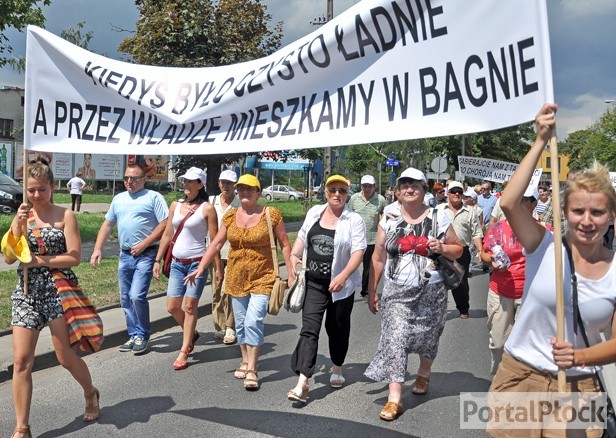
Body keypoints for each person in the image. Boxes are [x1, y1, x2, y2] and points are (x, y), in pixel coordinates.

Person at [488, 103, 616, 436]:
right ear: (565, 212)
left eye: (598, 212)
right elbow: (508, 203)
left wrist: (579, 357)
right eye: (578, 211)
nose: (587, 221)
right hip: (521, 376)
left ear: (611, 216)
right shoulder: (542, 246)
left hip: (581, 386)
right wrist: (541, 140)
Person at [7, 158, 99, 438]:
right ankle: (22, 426)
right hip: (26, 294)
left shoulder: (65, 215)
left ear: (52, 187)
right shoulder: (22, 215)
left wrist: (39, 261)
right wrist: (16, 228)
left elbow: (74, 257)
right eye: (31, 190)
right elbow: (10, 258)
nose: (36, 196)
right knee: (22, 361)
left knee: (65, 357)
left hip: (59, 292)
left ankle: (91, 392)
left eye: (42, 190)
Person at [364, 167, 463, 422]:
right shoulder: (389, 218)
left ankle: (424, 372)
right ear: (397, 191)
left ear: (424, 190)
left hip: (432, 289)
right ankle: (395, 396)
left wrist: (441, 246)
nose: (409, 189)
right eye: (404, 185)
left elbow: (458, 250)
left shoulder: (439, 217)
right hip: (397, 290)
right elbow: (378, 257)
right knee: (395, 338)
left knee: (429, 337)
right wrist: (372, 290)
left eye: (415, 185)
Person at [185, 174, 292, 391]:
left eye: (249, 189)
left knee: (253, 320)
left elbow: (285, 245)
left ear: (258, 193)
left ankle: (252, 369)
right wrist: (201, 267)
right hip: (235, 277)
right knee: (241, 323)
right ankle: (245, 359)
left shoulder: (271, 215)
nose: (244, 192)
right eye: (241, 189)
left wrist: (290, 270)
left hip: (263, 276)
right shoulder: (231, 216)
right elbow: (215, 244)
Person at [286, 175, 366, 404]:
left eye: (342, 190)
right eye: (333, 189)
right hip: (314, 283)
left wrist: (343, 276)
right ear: (326, 192)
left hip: (341, 287)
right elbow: (302, 238)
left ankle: (337, 367)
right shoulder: (314, 213)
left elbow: (359, 251)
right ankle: (303, 382)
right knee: (309, 330)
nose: (337, 194)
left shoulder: (354, 220)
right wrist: (293, 257)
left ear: (347, 194)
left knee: (337, 329)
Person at [90, 163, 168, 355]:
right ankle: (133, 334)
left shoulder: (153, 197)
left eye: (134, 178)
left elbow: (165, 224)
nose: (129, 182)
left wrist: (145, 242)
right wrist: (97, 248)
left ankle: (143, 333)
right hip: (125, 255)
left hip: (147, 253)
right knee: (125, 298)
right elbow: (107, 225)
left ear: (144, 179)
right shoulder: (118, 199)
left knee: (136, 295)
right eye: (126, 178)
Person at [153, 167, 220, 370]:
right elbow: (167, 234)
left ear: (200, 184)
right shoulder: (175, 205)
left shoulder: (207, 209)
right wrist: (157, 260)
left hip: (196, 264)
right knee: (172, 307)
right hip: (176, 263)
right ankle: (191, 332)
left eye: (191, 181)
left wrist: (217, 268)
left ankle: (184, 349)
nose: (186, 184)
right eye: (185, 181)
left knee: (190, 307)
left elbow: (215, 241)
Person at [480, 188, 548, 374]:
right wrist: (492, 260)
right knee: (499, 343)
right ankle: (499, 379)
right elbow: (484, 254)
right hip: (501, 292)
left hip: (530, 296)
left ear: (534, 203)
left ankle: (517, 385)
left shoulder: (545, 231)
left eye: (525, 200)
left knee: (524, 344)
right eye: (517, 199)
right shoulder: (499, 228)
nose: (519, 203)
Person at [437, 181, 483, 319]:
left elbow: (476, 233)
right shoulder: (439, 210)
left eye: (460, 192)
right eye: (454, 191)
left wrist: (480, 250)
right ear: (448, 193)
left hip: (462, 251)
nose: (457, 194)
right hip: (442, 250)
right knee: (438, 281)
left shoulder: (470, 212)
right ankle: (438, 309)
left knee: (460, 282)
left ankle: (463, 308)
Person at [208, 169, 241, 344]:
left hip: (233, 252)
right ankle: (219, 325)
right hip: (214, 253)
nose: (225, 186)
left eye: (229, 183)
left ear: (235, 185)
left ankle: (230, 326)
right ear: (219, 183)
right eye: (223, 182)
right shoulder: (211, 201)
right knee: (216, 289)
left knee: (229, 289)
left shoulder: (239, 203)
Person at [348, 174, 387, 301]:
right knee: (351, 264)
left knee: (368, 267)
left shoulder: (380, 200)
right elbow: (348, 215)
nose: (367, 188)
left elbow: (385, 216)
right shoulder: (354, 198)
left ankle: (366, 289)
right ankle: (347, 287)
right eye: (364, 186)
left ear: (374, 187)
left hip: (372, 239)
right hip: (355, 238)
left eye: (369, 186)